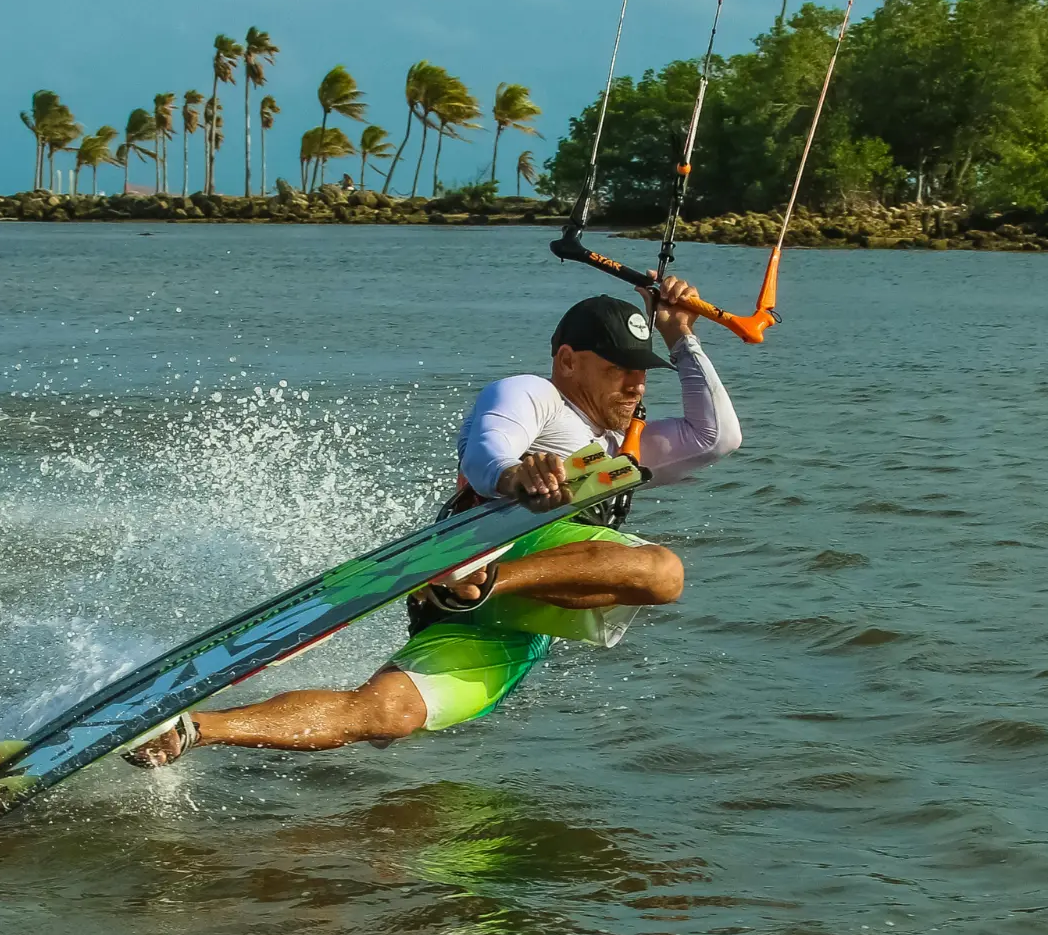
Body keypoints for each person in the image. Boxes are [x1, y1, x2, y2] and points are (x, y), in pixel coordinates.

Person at [126, 276, 741, 766]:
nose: (635, 385)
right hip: (477, 555)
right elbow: (486, 447)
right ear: (568, 361)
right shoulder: (533, 393)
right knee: (666, 569)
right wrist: (512, 476)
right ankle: (476, 579)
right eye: (618, 369)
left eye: (641, 372)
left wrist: (681, 337)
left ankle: (192, 731)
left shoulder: (622, 445)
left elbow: (716, 438)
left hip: (516, 612)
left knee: (386, 715)